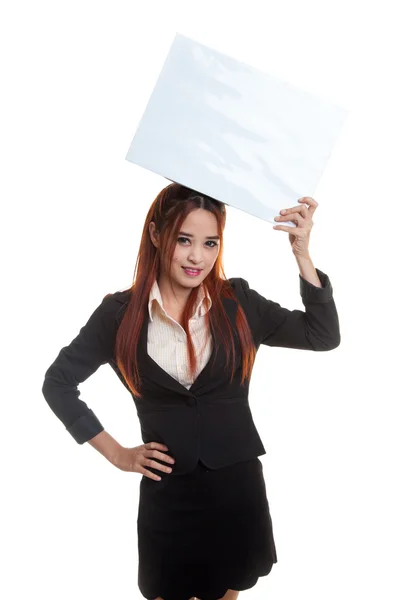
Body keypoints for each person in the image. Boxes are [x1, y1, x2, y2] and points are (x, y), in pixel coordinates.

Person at [42, 182, 340, 600]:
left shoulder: (238, 302)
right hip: (170, 495)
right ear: (156, 235)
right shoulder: (119, 315)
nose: (197, 256)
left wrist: (302, 253)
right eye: (184, 240)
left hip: (235, 489)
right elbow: (57, 382)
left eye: (210, 243)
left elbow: (322, 334)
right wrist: (118, 454)